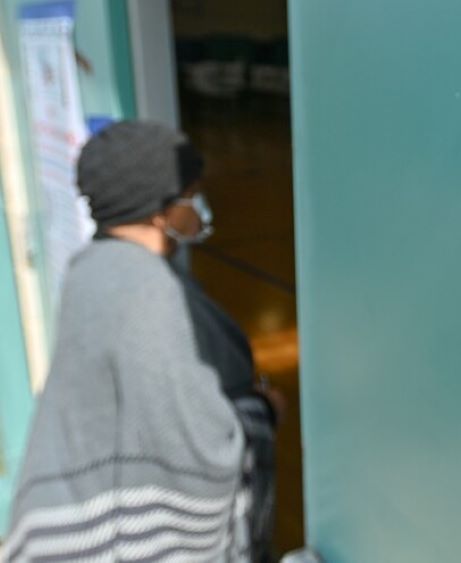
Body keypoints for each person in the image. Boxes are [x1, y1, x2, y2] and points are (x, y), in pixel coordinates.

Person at [0, 121, 278, 562]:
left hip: (65, 523)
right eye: (192, 194)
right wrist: (260, 413)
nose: (199, 207)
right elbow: (192, 441)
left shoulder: (89, 268)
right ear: (160, 210)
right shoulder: (146, 293)